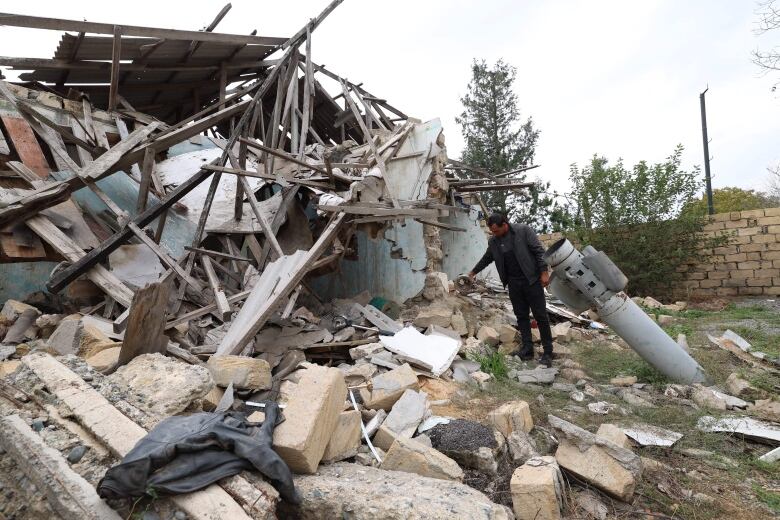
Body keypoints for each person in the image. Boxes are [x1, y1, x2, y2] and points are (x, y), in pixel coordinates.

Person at [468, 212, 555, 367]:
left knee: (540, 316)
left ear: (505, 225)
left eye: (496, 231)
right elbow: (488, 257)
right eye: (492, 232)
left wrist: (544, 272)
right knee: (521, 316)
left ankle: (548, 351)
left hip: (531, 280)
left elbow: (539, 251)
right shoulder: (494, 241)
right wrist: (473, 272)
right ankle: (527, 349)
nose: (494, 234)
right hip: (513, 283)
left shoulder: (523, 231)